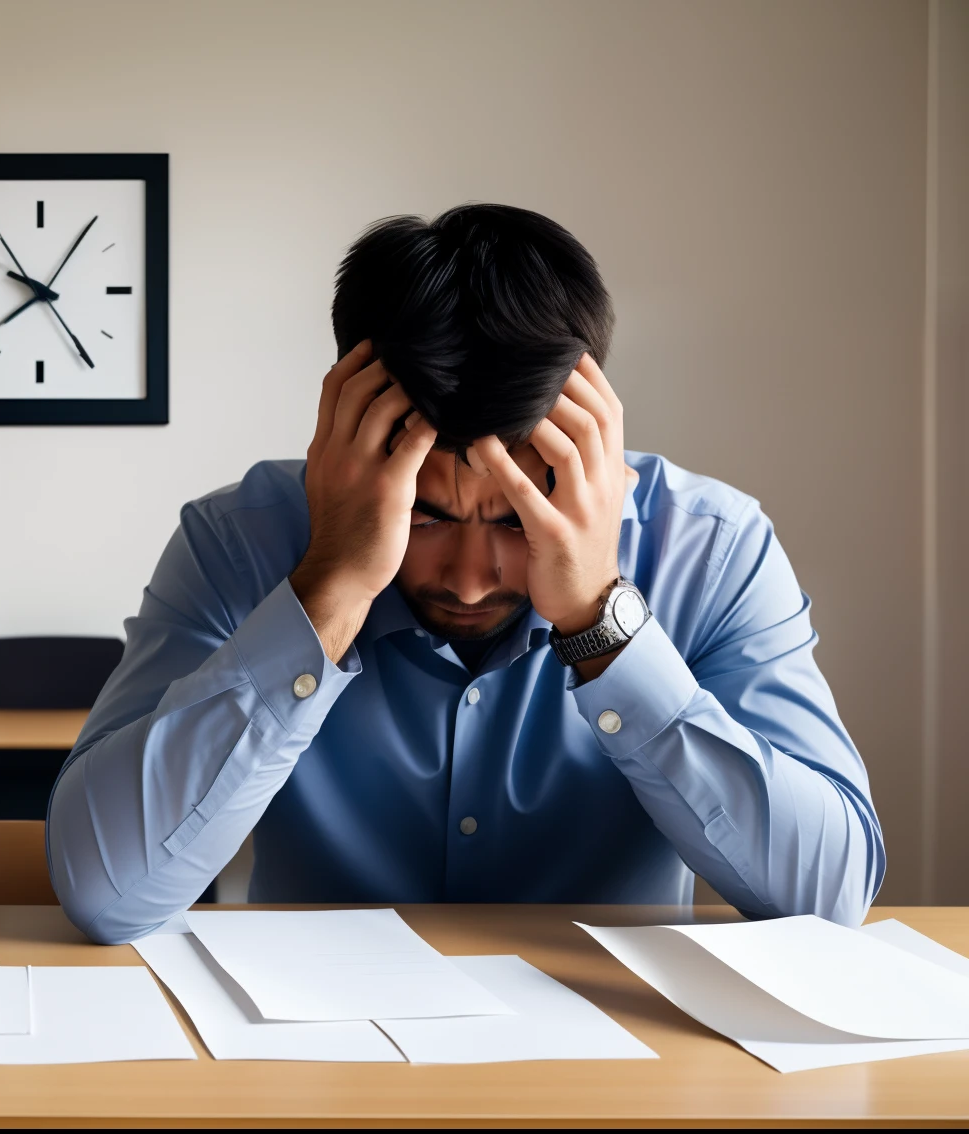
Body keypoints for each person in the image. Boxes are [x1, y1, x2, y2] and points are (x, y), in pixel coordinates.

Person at [47, 204, 884, 945]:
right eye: (426, 516)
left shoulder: (713, 548)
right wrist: (331, 584)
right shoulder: (240, 542)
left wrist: (601, 620)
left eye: (519, 520)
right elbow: (106, 891)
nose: (473, 580)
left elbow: (829, 895)